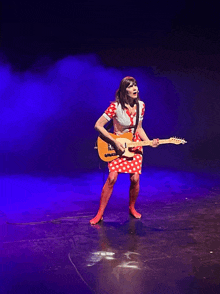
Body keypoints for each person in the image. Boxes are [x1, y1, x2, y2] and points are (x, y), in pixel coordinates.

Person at [90, 76, 159, 225]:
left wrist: (149, 141)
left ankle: (132, 207)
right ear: (124, 90)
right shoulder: (115, 107)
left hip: (134, 145)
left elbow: (139, 128)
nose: (135, 88)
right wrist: (114, 142)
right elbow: (98, 125)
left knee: (135, 178)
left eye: (135, 85)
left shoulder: (141, 106)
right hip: (118, 146)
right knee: (112, 178)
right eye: (130, 86)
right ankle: (100, 213)